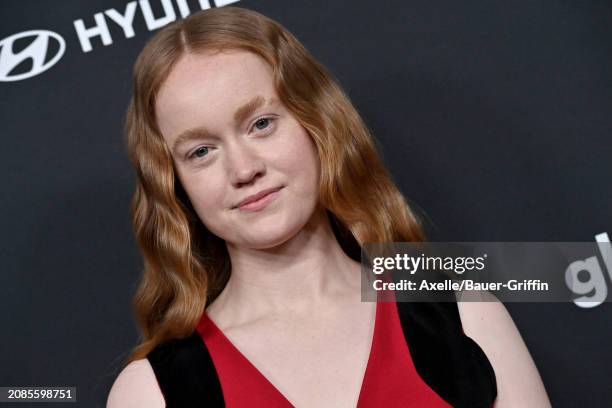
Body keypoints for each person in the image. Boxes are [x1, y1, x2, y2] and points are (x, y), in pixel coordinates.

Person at [107, 6, 550, 408]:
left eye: (261, 124)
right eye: (201, 151)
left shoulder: (461, 313)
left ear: (316, 122)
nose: (243, 169)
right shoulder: (151, 393)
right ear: (174, 184)